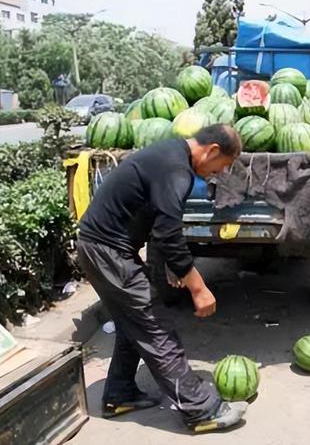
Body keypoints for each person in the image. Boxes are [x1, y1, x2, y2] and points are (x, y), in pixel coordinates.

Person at [76, 124, 249, 433]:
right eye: (220, 166)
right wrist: (198, 287)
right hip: (107, 253)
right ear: (211, 151)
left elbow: (158, 221)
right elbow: (167, 233)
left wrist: (174, 265)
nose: (217, 174)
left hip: (102, 249)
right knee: (156, 325)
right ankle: (202, 411)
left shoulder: (170, 154)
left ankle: (120, 394)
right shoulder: (177, 170)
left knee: (133, 324)